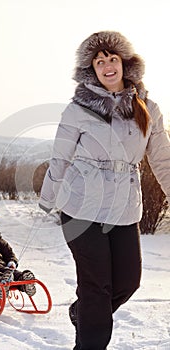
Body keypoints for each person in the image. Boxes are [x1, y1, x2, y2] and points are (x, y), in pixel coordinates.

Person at [38, 31, 170, 349]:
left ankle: (82, 312)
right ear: (91, 70)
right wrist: (47, 200)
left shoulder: (147, 108)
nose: (107, 66)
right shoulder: (77, 111)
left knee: (127, 282)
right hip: (80, 208)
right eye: (99, 61)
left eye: (113, 59)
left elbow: (162, 159)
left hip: (124, 209)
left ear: (125, 64)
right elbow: (60, 158)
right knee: (96, 288)